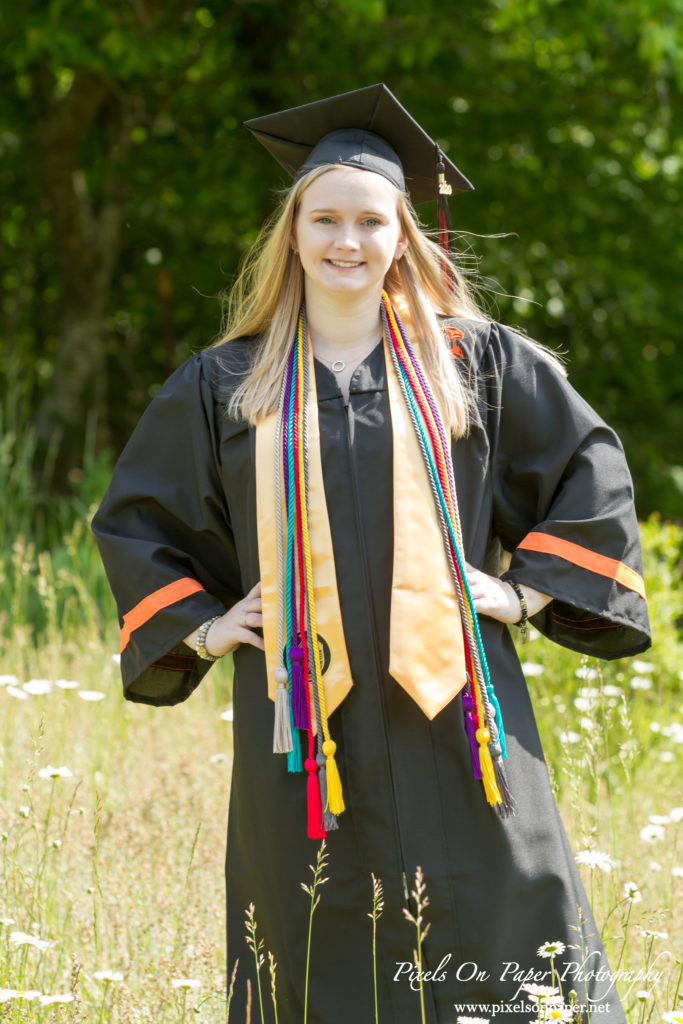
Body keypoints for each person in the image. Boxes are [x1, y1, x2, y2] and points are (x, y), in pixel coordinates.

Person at [93, 84, 650, 1024]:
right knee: (316, 930)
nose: (344, 240)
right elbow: (138, 519)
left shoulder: (477, 364)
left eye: (368, 219)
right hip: (304, 726)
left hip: (463, 716)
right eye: (323, 219)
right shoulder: (227, 381)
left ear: (404, 234)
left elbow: (590, 475)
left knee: (501, 916)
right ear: (292, 232)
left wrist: (520, 596)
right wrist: (208, 624)